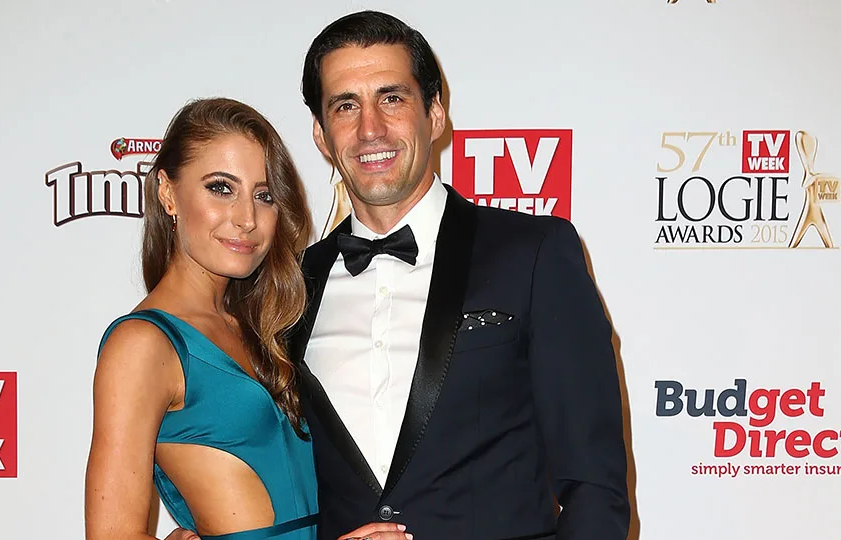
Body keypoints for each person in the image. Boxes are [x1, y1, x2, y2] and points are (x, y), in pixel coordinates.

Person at [290, 11, 629, 540]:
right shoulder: (291, 286)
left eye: (392, 98)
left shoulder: (534, 254)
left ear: (436, 114)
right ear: (320, 134)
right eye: (345, 106)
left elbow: (594, 489)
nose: (370, 128)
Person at [85, 97, 319, 540]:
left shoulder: (262, 327)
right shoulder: (143, 344)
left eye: (264, 196)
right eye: (220, 188)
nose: (247, 219)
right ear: (168, 193)